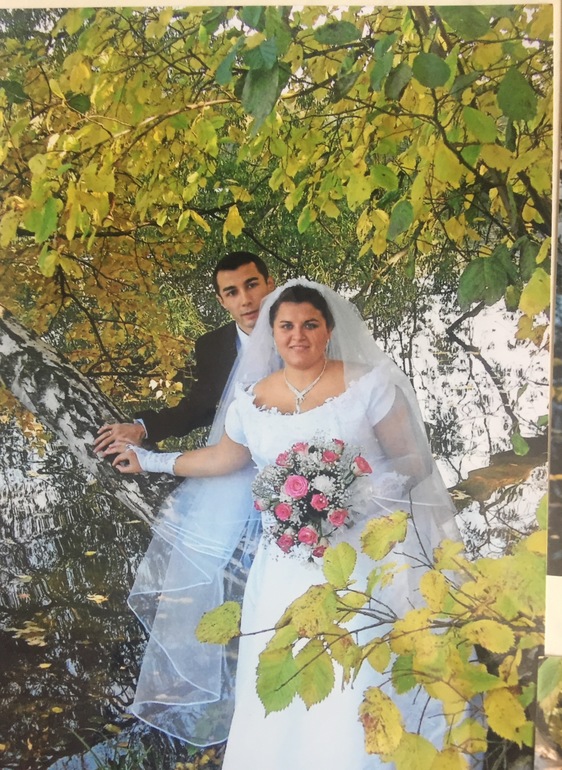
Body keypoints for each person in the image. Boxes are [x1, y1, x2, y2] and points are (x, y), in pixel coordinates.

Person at [111, 280, 463, 769]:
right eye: (287, 326)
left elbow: (412, 460)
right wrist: (150, 460)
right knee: (288, 664)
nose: (298, 335)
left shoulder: (369, 384)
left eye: (310, 324)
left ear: (328, 329)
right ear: (272, 334)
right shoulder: (251, 400)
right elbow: (222, 458)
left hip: (366, 555)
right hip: (285, 566)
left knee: (362, 662)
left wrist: (353, 496)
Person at [94, 251, 274, 453]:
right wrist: (143, 428)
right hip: (240, 455)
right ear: (221, 301)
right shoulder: (212, 346)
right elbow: (198, 408)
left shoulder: (300, 332)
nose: (245, 300)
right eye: (232, 293)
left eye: (251, 285)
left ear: (270, 284)